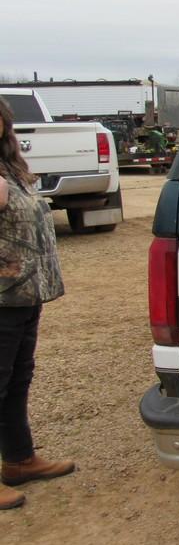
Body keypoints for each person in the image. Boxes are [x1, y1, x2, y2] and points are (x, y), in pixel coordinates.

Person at [0, 99, 74, 510]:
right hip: (3, 293)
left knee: (17, 377)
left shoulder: (13, 168)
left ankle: (19, 459)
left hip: (24, 292)